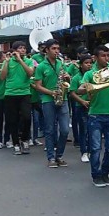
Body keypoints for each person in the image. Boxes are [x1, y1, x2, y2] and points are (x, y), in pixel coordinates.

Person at [78, 45, 109, 187]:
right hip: (95, 115)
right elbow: (80, 89)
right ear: (95, 58)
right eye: (103, 56)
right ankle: (96, 175)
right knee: (95, 148)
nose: (107, 58)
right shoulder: (90, 74)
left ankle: (105, 173)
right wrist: (86, 87)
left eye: (108, 56)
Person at [34, 39, 71, 168]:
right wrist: (51, 93)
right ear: (47, 50)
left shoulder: (61, 64)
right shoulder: (41, 66)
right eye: (54, 49)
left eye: (58, 49)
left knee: (65, 130)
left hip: (63, 98)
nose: (56, 51)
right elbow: (37, 86)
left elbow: (67, 81)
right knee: (50, 130)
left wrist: (67, 78)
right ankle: (51, 157)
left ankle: (59, 155)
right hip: (48, 100)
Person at [0, 42, 35, 155]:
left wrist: (20, 60)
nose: (23, 50)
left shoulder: (29, 61)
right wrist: (6, 61)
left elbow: (30, 73)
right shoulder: (8, 62)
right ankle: (15, 143)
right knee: (12, 120)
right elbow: (2, 77)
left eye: (24, 48)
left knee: (27, 117)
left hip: (25, 93)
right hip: (10, 93)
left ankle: (24, 139)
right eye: (20, 48)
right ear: (14, 50)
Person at [69, 54, 93, 163]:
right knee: (83, 130)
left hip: (93, 106)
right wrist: (82, 101)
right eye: (86, 63)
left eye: (90, 63)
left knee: (92, 130)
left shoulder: (93, 75)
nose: (89, 65)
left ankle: (91, 150)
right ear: (81, 65)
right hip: (81, 106)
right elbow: (72, 93)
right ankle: (84, 152)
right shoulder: (76, 77)